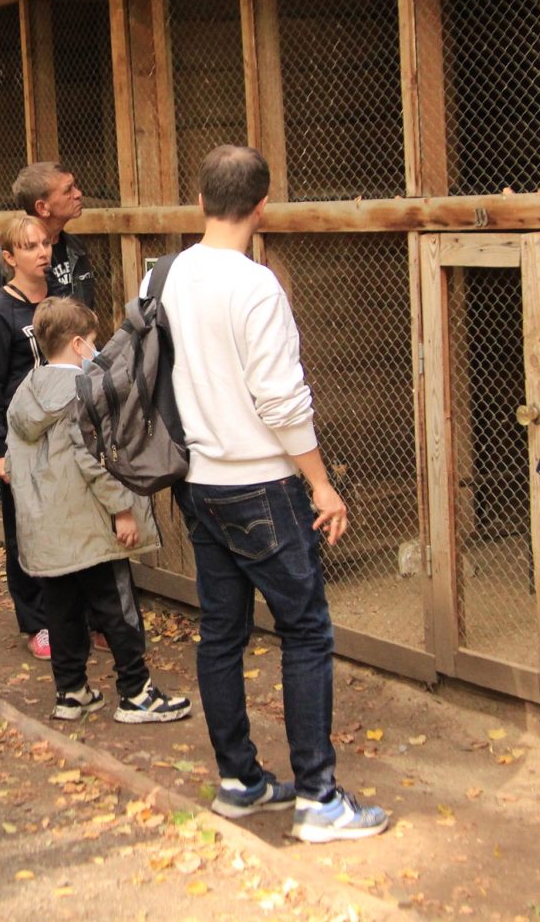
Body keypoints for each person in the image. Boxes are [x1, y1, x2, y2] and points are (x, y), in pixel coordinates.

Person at [160, 145, 389, 843]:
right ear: (262, 206)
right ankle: (318, 798)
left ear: (199, 201)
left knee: (222, 632)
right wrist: (320, 483)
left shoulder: (166, 276)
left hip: (198, 482)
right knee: (305, 631)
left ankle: (239, 780)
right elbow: (281, 400)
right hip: (259, 482)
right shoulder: (254, 286)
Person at [6, 296, 192, 726]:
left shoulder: (25, 394)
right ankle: (136, 691)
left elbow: (16, 464)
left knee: (63, 611)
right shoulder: (82, 391)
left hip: (50, 530)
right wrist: (122, 508)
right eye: (92, 341)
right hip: (91, 526)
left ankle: (71, 692)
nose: (95, 348)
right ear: (76, 344)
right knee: (116, 606)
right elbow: (92, 457)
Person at [0, 214, 54, 658]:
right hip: (19, 442)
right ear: (9, 258)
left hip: (60, 437)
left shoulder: (57, 300)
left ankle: (74, 614)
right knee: (23, 531)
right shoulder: (0, 312)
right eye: (29, 246)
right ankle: (36, 623)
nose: (41, 252)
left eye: (44, 243)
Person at [0, 162, 92, 338]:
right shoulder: (1, 261)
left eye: (75, 186)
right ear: (42, 207)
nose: (78, 194)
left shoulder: (76, 249)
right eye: (68, 190)